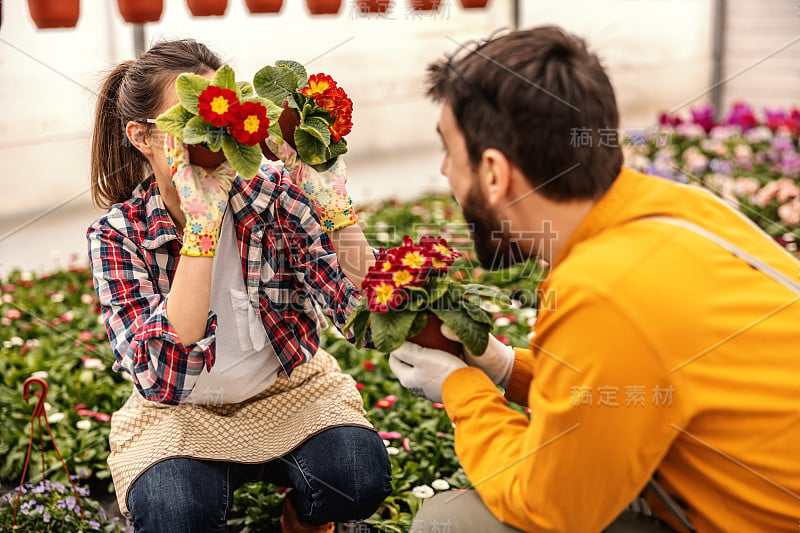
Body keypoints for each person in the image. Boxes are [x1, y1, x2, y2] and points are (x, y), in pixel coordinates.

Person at [387, 26, 800, 532]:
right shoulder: (676, 208)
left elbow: (552, 507)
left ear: (493, 172)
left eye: (452, 153)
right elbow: (626, 384)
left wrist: (464, 391)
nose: (447, 172)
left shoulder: (606, 289)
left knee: (453, 521)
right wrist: (502, 367)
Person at [87, 39, 391, 532]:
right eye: (192, 122)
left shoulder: (271, 193)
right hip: (181, 415)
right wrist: (201, 230)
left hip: (287, 390)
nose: (215, 136)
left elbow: (363, 314)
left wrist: (335, 206)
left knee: (357, 475)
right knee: (176, 514)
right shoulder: (118, 233)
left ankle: (304, 517)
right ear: (142, 137)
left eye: (222, 119)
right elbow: (163, 377)